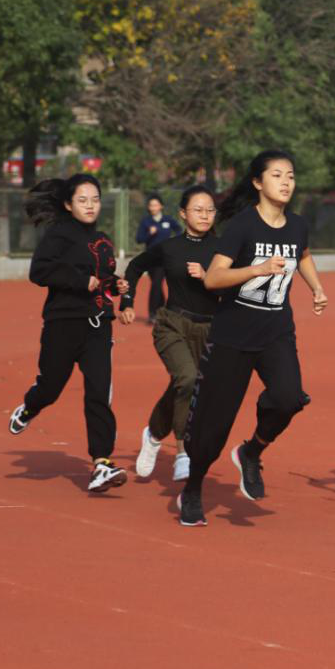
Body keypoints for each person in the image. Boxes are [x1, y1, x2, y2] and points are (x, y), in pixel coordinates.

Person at [175, 150, 328, 526]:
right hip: (233, 335)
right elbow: (214, 279)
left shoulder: (297, 225)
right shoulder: (243, 226)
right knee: (214, 424)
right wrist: (257, 269)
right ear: (258, 182)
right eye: (277, 175)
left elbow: (303, 255)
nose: (286, 182)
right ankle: (193, 487)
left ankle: (251, 452)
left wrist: (316, 286)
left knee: (289, 398)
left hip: (277, 332)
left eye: (290, 175)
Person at [7, 174, 128, 494]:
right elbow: (39, 271)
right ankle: (31, 406)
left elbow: (102, 278)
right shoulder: (58, 235)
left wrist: (115, 285)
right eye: (82, 200)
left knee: (99, 392)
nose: (90, 206)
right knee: (51, 387)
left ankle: (102, 462)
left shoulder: (103, 240)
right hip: (63, 324)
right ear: (68, 204)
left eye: (95, 199)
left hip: (98, 326)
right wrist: (78, 280)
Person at [120, 185, 219, 482]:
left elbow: (237, 284)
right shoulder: (170, 247)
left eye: (210, 210)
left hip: (209, 329)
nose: (205, 215)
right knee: (187, 379)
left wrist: (209, 276)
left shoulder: (223, 249)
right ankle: (183, 452)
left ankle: (153, 433)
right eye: (198, 210)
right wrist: (126, 302)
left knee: (185, 386)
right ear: (183, 213)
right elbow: (135, 267)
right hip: (172, 324)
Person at [135, 193, 180, 322]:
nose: (153, 207)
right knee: (157, 285)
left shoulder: (167, 220)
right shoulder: (146, 222)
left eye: (156, 205)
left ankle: (153, 313)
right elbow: (139, 239)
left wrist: (174, 241)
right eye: (151, 205)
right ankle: (165, 310)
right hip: (150, 258)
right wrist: (149, 234)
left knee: (156, 283)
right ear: (148, 207)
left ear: (161, 206)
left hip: (164, 258)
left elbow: (178, 230)